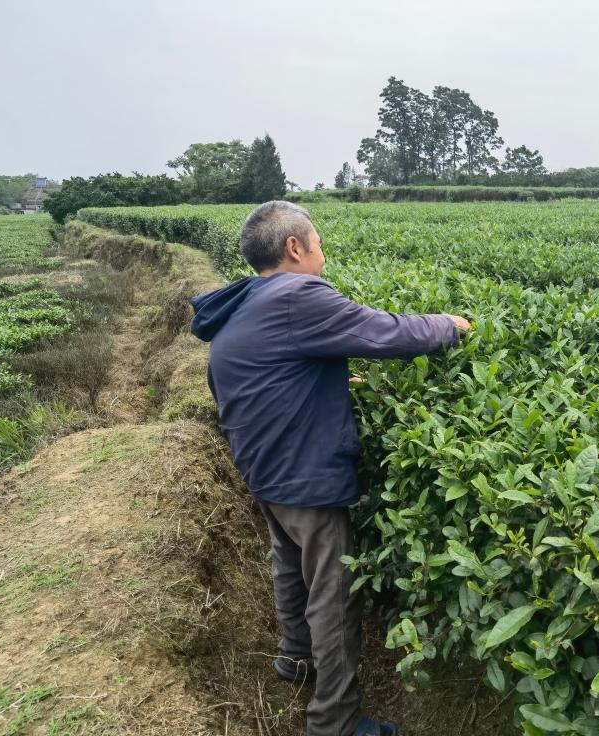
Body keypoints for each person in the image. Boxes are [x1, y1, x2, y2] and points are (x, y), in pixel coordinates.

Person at [189, 201, 470, 736]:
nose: (322, 253)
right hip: (304, 472)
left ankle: (295, 660)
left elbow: (266, 371)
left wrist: (324, 384)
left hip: (263, 465)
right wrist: (448, 326)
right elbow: (384, 332)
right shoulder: (298, 294)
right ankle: (335, 721)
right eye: (317, 243)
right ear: (295, 247)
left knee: (289, 568)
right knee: (334, 595)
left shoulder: (247, 300)